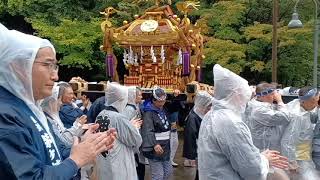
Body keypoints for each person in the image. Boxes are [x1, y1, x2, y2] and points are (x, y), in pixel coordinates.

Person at [0, 23, 116, 179]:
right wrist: (76, 160)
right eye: (48, 65)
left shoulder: (29, 108)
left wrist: (86, 145)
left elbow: (52, 151)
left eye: (55, 66)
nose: (55, 77)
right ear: (18, 66)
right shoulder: (5, 114)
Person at [198, 64, 288, 180]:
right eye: (244, 95)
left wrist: (259, 157)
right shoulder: (230, 122)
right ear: (236, 95)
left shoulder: (211, 115)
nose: (246, 100)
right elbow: (251, 170)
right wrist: (265, 160)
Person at [96, 82, 143, 180]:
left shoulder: (100, 114)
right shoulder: (119, 118)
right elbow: (135, 141)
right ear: (122, 99)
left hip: (104, 159)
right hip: (119, 161)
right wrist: (134, 127)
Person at [281, 87, 320, 180]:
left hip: (304, 156)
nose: (315, 105)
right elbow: (287, 141)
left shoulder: (302, 108)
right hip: (299, 158)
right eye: (313, 101)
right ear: (303, 101)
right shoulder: (297, 116)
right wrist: (291, 162)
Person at [141, 86, 172, 180]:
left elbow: (175, 106)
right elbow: (147, 129)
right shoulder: (148, 112)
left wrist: (175, 95)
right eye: (160, 101)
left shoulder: (163, 108)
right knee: (158, 175)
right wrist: (154, 144)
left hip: (165, 146)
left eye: (163, 101)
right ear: (153, 100)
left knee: (168, 172)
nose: (162, 103)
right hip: (154, 147)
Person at [182, 91, 212, 180]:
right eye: (208, 106)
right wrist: (191, 155)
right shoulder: (193, 117)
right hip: (199, 150)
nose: (210, 108)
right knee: (201, 173)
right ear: (202, 104)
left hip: (204, 149)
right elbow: (190, 137)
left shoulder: (200, 113)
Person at [166, 89, 183, 167]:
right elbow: (173, 107)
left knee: (175, 143)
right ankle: (169, 160)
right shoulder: (170, 103)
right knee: (172, 142)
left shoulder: (174, 102)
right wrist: (176, 97)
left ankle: (170, 159)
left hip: (173, 124)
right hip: (171, 125)